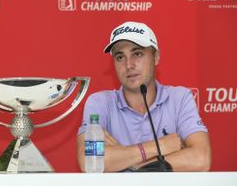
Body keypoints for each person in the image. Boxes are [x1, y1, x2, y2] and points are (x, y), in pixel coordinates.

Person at [77, 21, 211, 172]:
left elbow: (201, 158)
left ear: (156, 57)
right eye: (120, 57)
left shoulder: (180, 98)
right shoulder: (99, 103)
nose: (129, 65)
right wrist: (160, 146)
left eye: (137, 54)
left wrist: (129, 162)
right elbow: (88, 160)